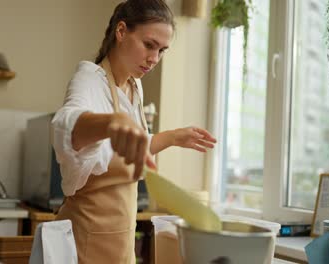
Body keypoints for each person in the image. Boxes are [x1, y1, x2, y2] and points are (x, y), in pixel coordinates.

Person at [51, 0, 217, 263]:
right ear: (121, 31)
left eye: (162, 50)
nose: (154, 59)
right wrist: (111, 123)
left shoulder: (135, 87)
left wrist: (174, 136)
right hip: (83, 244)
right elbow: (65, 124)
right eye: (149, 45)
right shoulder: (89, 78)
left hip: (121, 246)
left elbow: (134, 144)